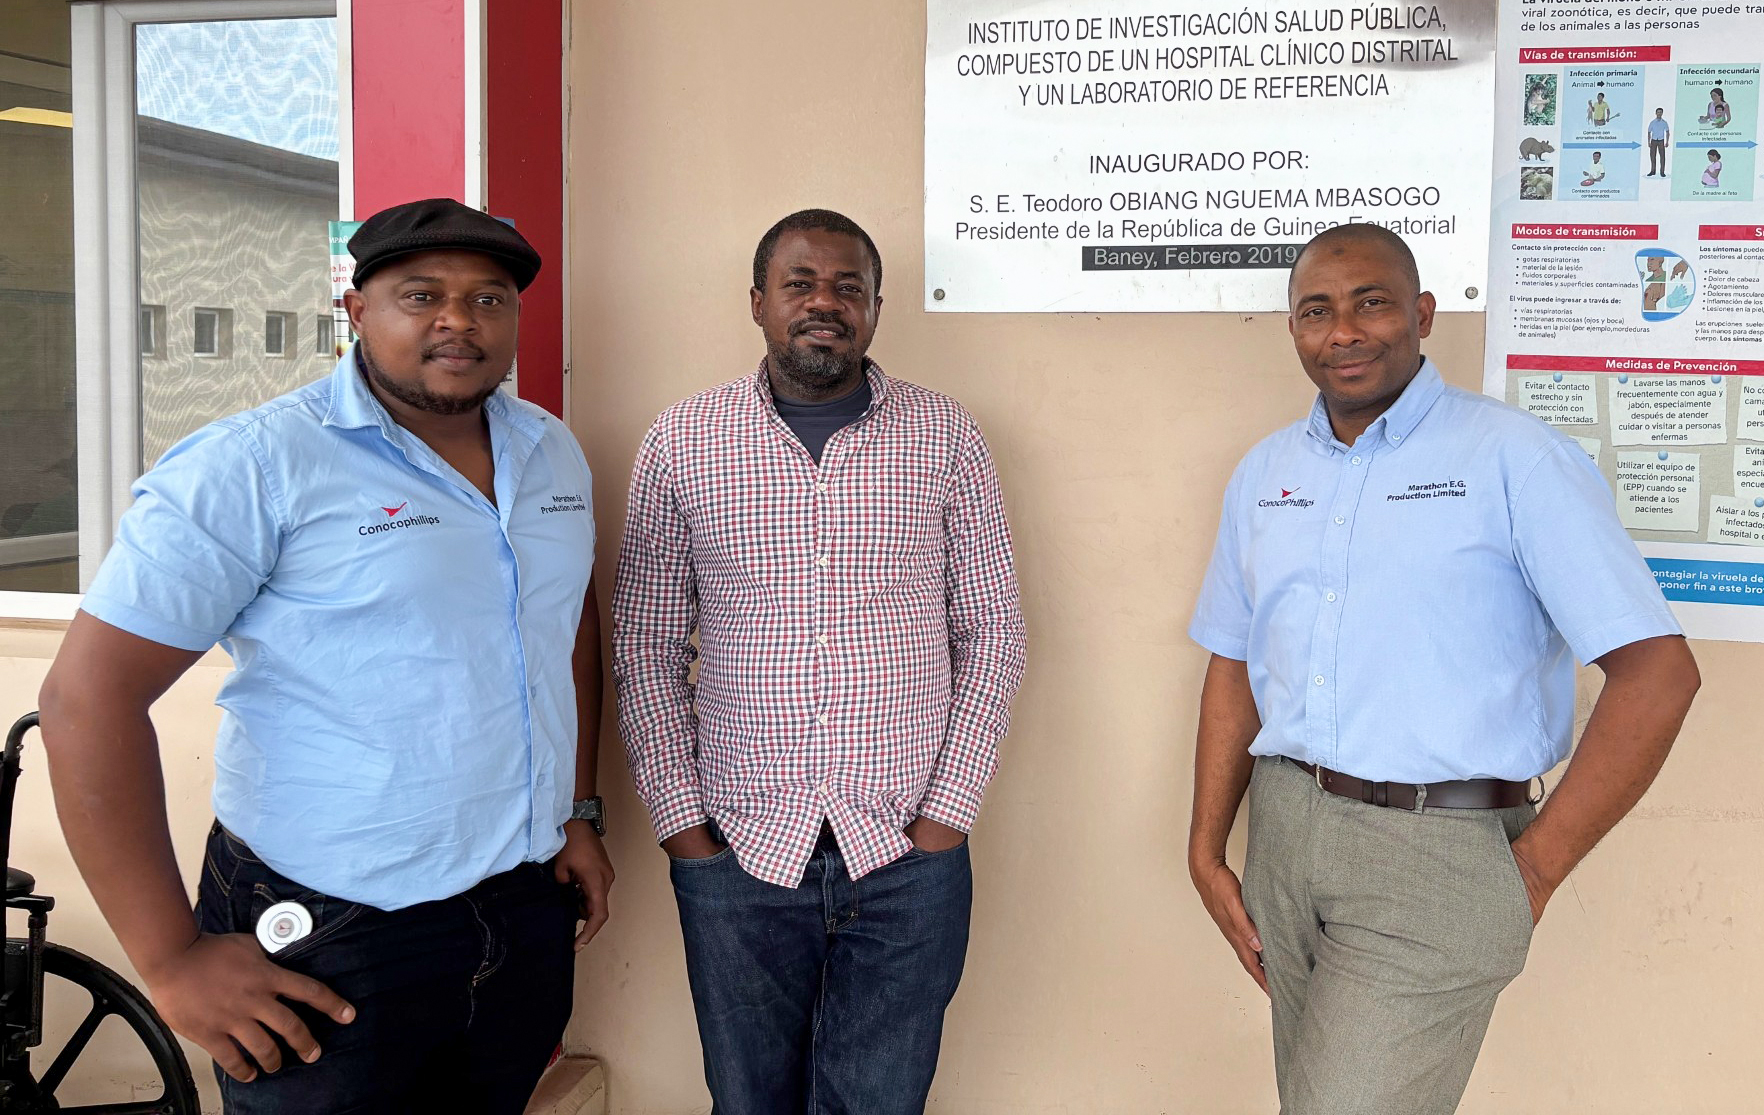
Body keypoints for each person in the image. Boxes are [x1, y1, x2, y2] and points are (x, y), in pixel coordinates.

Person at [37, 198, 613, 1114]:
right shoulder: (256, 464)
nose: (459, 320)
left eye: (489, 299)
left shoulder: (550, 452)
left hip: (522, 905)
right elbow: (86, 700)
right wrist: (170, 958)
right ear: (355, 309)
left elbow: (564, 617)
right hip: (334, 931)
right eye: (421, 294)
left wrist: (579, 811)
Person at [1187, 223, 1699, 1114]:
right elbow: (1234, 662)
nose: (1345, 330)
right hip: (1286, 834)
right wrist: (1204, 848)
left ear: (1422, 314)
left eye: (1371, 302)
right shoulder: (1265, 473)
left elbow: (1659, 674)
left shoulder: (1516, 459)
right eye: (1317, 311)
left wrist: (1533, 872)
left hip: (1439, 853)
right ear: (1294, 328)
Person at [613, 208, 1026, 1114]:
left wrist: (944, 820)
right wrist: (685, 830)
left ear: (876, 307)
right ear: (758, 302)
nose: (824, 302)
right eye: (799, 283)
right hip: (738, 853)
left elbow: (993, 630)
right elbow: (644, 642)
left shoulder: (945, 435)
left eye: (849, 287)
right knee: (748, 1102)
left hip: (905, 855)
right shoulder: (683, 439)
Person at [1647, 108, 1671, 175]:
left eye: (1660, 112)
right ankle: (1653, 171)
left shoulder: (1664, 123)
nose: (1659, 113)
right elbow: (1649, 132)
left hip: (1661, 141)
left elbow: (1667, 132)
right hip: (1653, 140)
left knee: (1662, 157)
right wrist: (1648, 142)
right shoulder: (1652, 122)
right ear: (1656, 113)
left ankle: (1662, 172)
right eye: (1658, 112)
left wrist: (1667, 141)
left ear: (1662, 113)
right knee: (1652, 156)